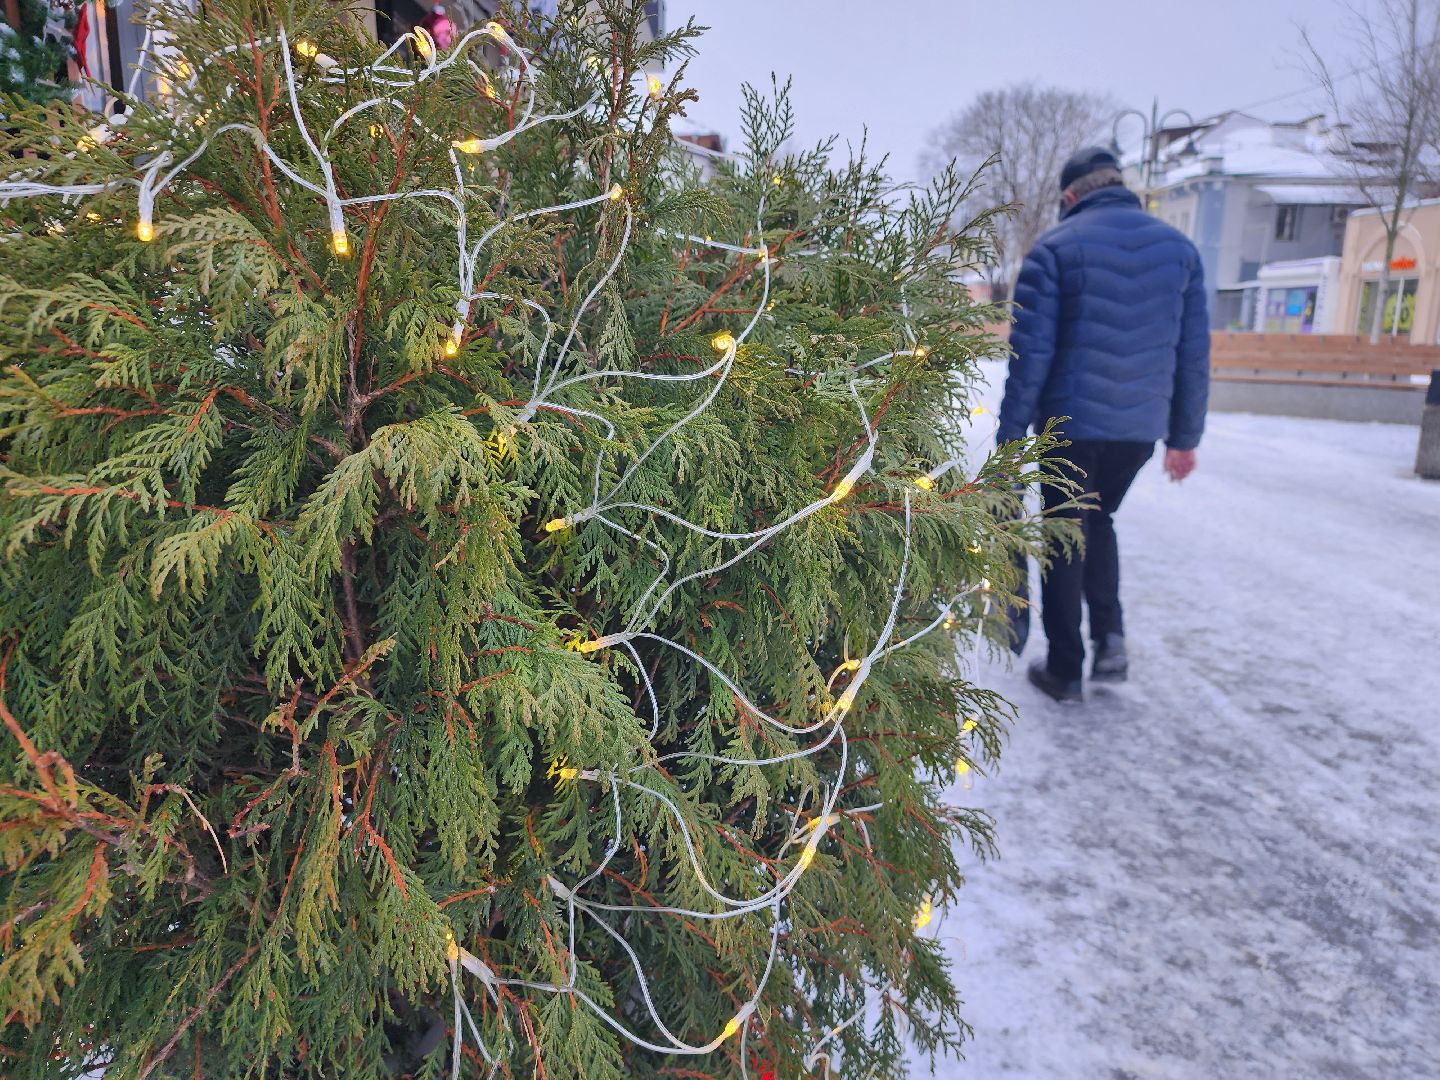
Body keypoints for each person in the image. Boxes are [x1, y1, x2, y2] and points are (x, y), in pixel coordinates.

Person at [997, 146, 1210, 703]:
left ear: (1071, 195)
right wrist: (1184, 437)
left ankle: (1065, 667)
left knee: (1064, 534)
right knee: (1100, 521)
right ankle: (1110, 642)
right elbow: (1193, 353)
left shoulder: (1055, 249)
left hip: (1070, 426)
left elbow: (1030, 358)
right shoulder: (1180, 250)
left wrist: (1009, 439)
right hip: (1139, 429)